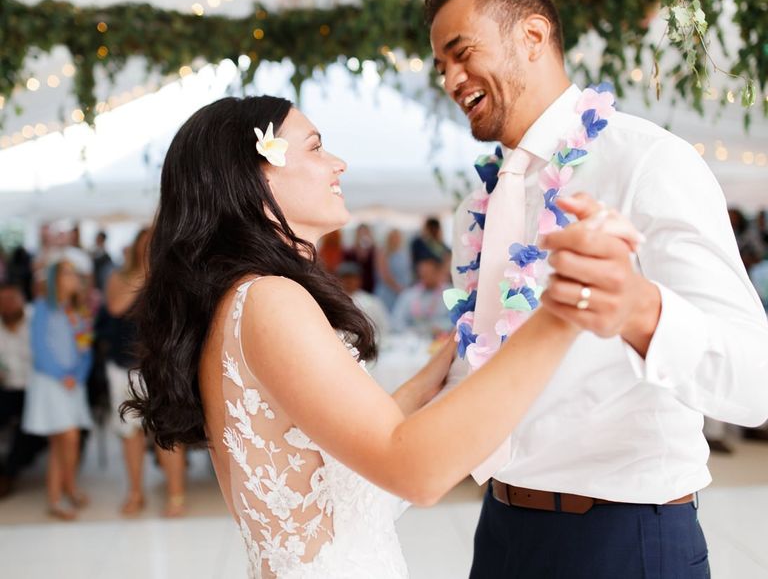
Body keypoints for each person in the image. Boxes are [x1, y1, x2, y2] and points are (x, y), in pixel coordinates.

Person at [121, 95, 630, 578]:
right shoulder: (270, 299)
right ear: (254, 175)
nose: (338, 164)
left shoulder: (235, 300)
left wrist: (449, 360)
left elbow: (361, 446)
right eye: (317, 147)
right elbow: (414, 471)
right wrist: (563, 309)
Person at [427, 0, 768, 577]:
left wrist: (642, 311)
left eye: (461, 52)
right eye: (441, 66)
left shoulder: (648, 163)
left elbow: (756, 381)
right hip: (499, 529)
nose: (451, 79)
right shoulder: (473, 211)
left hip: (625, 536)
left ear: (532, 36)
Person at [99, 228, 187, 517]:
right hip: (123, 366)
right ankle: (135, 492)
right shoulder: (119, 277)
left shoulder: (173, 277)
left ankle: (176, 494)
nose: (151, 248)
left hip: (161, 366)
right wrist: (145, 271)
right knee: (130, 432)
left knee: (167, 431)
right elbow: (116, 306)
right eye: (145, 244)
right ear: (136, 246)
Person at [22, 261, 93, 520]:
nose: (73, 277)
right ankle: (63, 492)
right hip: (51, 383)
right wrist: (61, 375)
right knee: (67, 437)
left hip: (73, 384)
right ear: (55, 279)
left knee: (63, 442)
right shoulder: (43, 308)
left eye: (75, 273)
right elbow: (39, 348)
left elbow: (85, 350)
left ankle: (63, 491)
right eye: (67, 273)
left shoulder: (80, 312)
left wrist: (78, 375)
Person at [0, 283, 43, 498]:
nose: (7, 306)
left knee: (27, 427)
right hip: (6, 388)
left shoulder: (37, 320)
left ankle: (9, 474)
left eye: (11, 300)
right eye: (3, 302)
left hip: (34, 388)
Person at [391, 256, 453, 338]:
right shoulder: (409, 295)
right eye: (422, 274)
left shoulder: (450, 293)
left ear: (438, 272)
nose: (424, 277)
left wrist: (439, 327)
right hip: (412, 341)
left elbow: (456, 321)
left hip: (441, 339)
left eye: (428, 273)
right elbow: (396, 320)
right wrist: (410, 331)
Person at [337, 261, 391, 340]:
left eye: (352, 278)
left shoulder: (372, 302)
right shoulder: (334, 300)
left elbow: (384, 327)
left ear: (359, 280)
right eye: (345, 278)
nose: (349, 281)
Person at [374, 228, 411, 312]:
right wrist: (397, 288)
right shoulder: (383, 253)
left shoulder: (404, 253)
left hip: (403, 291)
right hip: (388, 292)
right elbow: (384, 274)